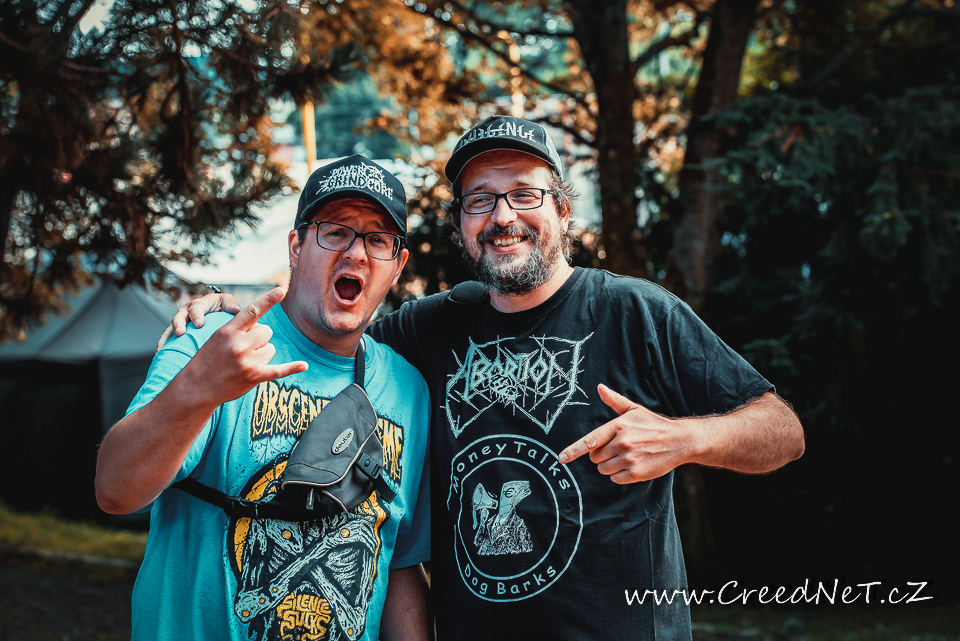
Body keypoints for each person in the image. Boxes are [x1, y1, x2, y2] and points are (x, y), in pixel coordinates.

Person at [164, 116, 805, 640]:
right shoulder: (430, 327)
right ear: (462, 225)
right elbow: (329, 329)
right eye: (480, 200)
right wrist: (237, 311)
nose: (502, 216)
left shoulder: (634, 311)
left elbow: (782, 431)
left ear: (562, 210)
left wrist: (683, 440)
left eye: (524, 194)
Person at [97, 155, 432, 641]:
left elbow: (398, 560)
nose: (356, 253)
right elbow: (115, 490)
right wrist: (199, 387)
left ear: (397, 266)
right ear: (296, 247)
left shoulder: (408, 390)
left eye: (378, 239)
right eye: (335, 231)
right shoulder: (215, 342)